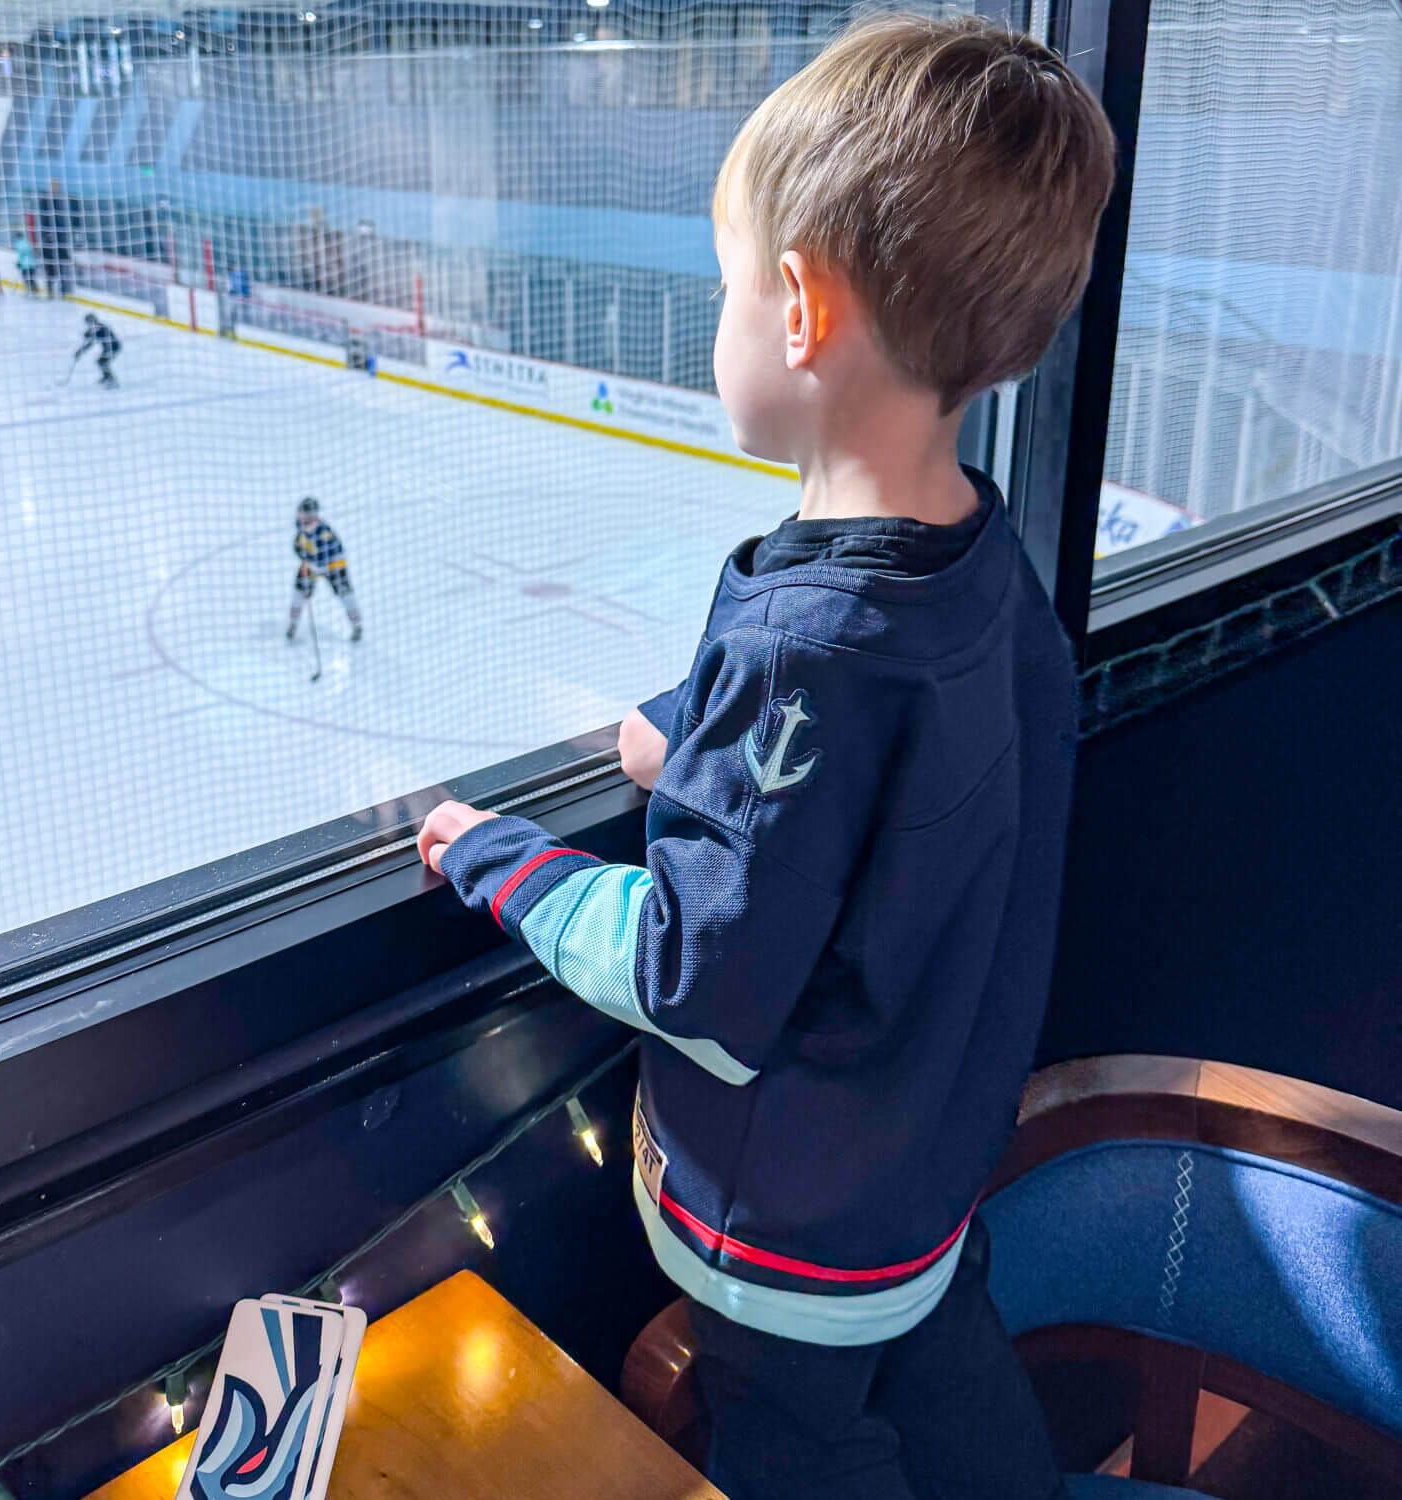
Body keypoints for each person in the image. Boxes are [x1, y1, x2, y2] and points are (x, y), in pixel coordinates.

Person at [417, 15, 1115, 1500]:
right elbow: (905, 814)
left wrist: (495, 858)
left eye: (723, 288)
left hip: (789, 1237)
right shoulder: (984, 572)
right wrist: (694, 755)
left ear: (797, 309)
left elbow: (698, 982)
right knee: (943, 1373)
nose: (719, 318)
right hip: (922, 1189)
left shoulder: (809, 643)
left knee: (798, 1444)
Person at [288, 497, 363, 643]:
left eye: (308, 516)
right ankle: (292, 624)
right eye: (302, 514)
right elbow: (298, 544)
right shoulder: (301, 526)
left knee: (345, 594)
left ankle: (357, 626)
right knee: (299, 592)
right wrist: (300, 552)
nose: (304, 519)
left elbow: (325, 555)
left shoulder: (324, 533)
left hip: (335, 566)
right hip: (310, 566)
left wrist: (309, 559)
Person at [74, 312, 121, 388]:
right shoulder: (95, 328)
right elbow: (91, 340)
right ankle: (107, 377)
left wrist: (81, 350)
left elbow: (92, 339)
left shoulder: (99, 327)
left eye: (90, 321)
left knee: (102, 362)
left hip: (113, 347)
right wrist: (80, 351)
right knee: (100, 361)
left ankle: (111, 380)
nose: (89, 324)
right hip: (108, 348)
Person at [14, 232, 39, 297]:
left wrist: (18, 263)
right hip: (32, 264)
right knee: (31, 278)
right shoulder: (27, 242)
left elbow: (21, 254)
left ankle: (29, 291)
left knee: (26, 279)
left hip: (25, 265)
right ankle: (35, 291)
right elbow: (32, 253)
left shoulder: (18, 244)